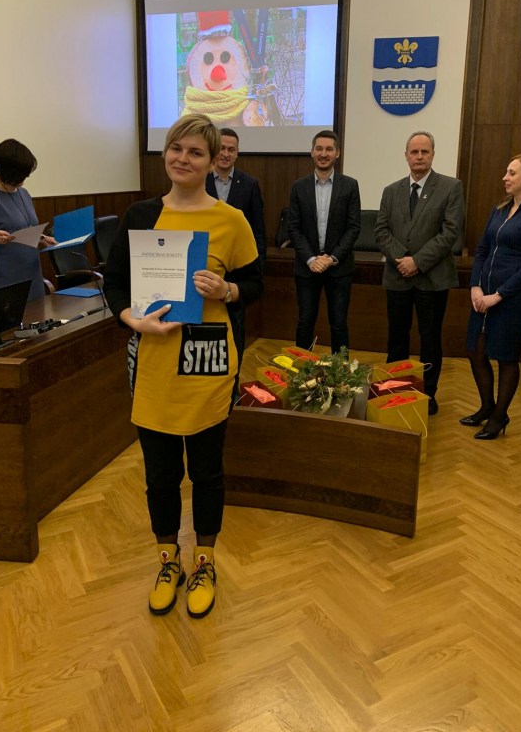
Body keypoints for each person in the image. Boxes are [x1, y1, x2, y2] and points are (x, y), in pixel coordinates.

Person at [104, 114, 263, 619]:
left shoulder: (231, 220)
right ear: (165, 153)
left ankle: (205, 562)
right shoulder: (140, 215)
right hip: (154, 361)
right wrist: (132, 319)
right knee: (160, 474)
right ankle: (168, 560)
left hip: (208, 360)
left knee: (207, 471)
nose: (183, 159)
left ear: (213, 160)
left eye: (196, 152)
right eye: (176, 148)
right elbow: (115, 284)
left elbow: (255, 283)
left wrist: (228, 289)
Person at [461, 153, 521, 440]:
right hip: (483, 296)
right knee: (475, 352)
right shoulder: (499, 210)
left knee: (505, 357)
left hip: (513, 300)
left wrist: (498, 296)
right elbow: (482, 250)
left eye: (512, 173)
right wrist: (476, 286)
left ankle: (499, 416)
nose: (505, 177)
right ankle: (487, 406)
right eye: (506, 172)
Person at [375, 131, 465, 415]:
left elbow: (450, 233)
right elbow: (381, 230)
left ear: (433, 155)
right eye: (414, 152)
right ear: (406, 156)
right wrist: (402, 259)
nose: (419, 157)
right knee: (396, 339)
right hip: (397, 276)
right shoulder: (391, 190)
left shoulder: (450, 187)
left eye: (425, 152)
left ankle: (428, 394)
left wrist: (417, 261)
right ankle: (395, 390)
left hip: (432, 278)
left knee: (430, 339)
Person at [286, 130, 361, 354]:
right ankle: (302, 369)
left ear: (337, 153)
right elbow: (294, 228)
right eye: (319, 149)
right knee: (305, 321)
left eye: (329, 149)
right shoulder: (298, 186)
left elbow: (353, 228)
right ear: (312, 152)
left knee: (339, 324)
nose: (323, 154)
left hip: (339, 268)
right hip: (307, 267)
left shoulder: (350, 185)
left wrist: (331, 258)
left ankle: (341, 372)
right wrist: (311, 259)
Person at [0, 138, 56, 316]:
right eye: (21, 174)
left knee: (34, 322)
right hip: (0, 276)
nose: (24, 179)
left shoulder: (24, 194)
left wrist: (42, 238)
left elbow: (22, 228)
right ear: (8, 171)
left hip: (30, 273)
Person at [205, 127, 266, 368]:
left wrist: (258, 267)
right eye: (221, 148)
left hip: (237, 273)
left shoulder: (249, 184)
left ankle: (234, 373)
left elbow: (258, 230)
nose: (225, 154)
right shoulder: (199, 180)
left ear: (237, 153)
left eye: (231, 149)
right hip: (204, 268)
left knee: (236, 328)